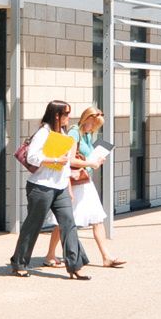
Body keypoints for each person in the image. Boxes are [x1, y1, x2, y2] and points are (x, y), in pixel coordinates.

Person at [9, 99, 90, 279]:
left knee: (69, 224)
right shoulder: (43, 133)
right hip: (41, 187)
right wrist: (54, 160)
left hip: (60, 187)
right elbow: (32, 157)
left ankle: (75, 266)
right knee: (33, 225)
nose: (69, 117)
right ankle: (19, 263)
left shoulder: (62, 133)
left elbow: (65, 163)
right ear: (56, 115)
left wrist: (68, 182)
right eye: (66, 114)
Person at [43, 105, 123, 268]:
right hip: (74, 183)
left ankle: (106, 256)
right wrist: (90, 163)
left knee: (97, 218)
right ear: (86, 119)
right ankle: (50, 254)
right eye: (93, 124)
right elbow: (70, 160)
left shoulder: (86, 135)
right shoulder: (74, 133)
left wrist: (95, 161)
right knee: (63, 220)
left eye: (97, 126)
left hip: (85, 181)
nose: (94, 128)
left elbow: (85, 157)